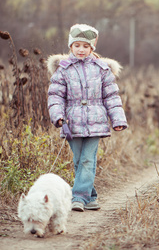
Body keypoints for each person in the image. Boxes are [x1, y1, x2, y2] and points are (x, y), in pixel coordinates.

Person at [47, 23, 128, 212]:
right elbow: (56, 96)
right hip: (72, 122)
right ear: (70, 46)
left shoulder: (102, 69)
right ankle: (91, 197)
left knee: (87, 160)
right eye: (77, 45)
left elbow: (111, 96)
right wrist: (58, 117)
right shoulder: (64, 69)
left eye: (85, 46)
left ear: (92, 48)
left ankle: (79, 198)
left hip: (96, 122)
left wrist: (117, 119)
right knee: (77, 160)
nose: (81, 50)